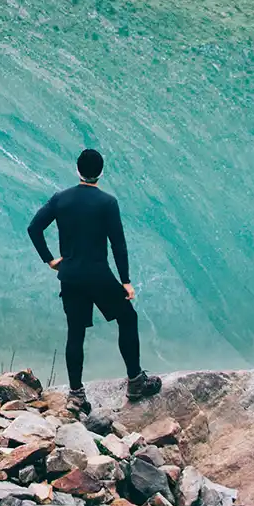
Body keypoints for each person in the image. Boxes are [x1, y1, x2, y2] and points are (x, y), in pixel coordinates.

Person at [27, 148, 162, 413]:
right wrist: (125, 280)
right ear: (101, 173)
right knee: (127, 318)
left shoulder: (60, 199)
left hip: (71, 276)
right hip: (99, 275)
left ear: (77, 170)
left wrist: (50, 260)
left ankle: (76, 395)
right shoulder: (107, 202)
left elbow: (34, 228)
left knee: (75, 333)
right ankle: (135, 381)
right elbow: (118, 244)